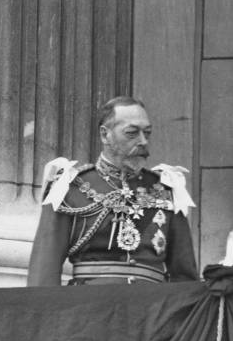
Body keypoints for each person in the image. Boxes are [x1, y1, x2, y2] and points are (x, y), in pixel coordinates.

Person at [27, 96, 198, 285]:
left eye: (147, 133)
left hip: (153, 311)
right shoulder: (69, 188)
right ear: (104, 135)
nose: (143, 141)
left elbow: (185, 277)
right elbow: (43, 274)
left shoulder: (168, 189)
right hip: (89, 309)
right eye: (132, 133)